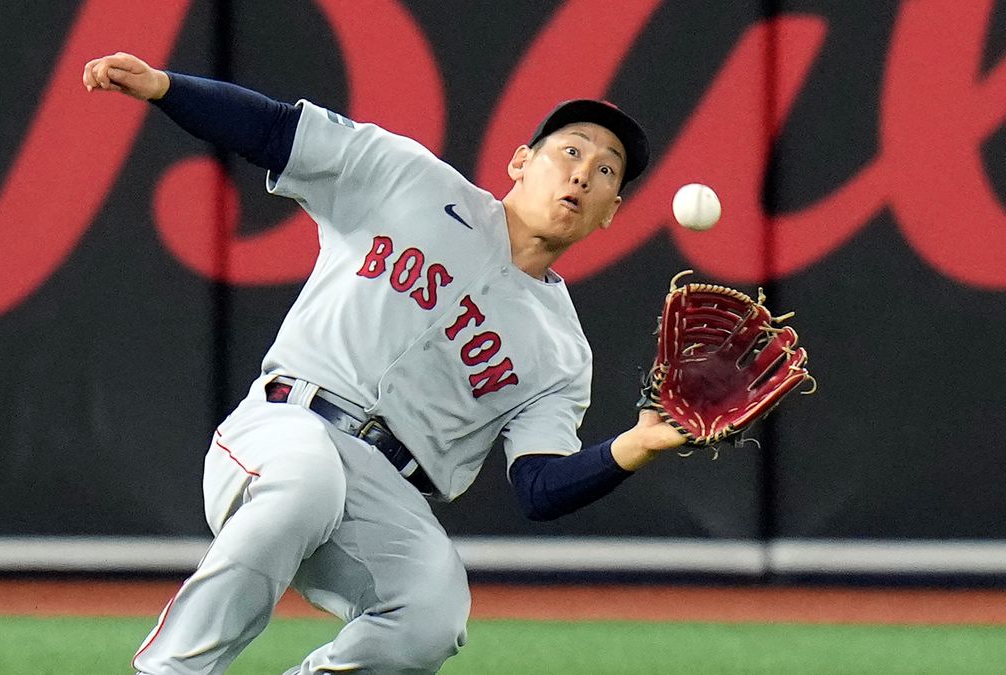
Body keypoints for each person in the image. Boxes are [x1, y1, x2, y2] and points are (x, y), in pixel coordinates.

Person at [83, 51, 687, 675]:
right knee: (306, 483)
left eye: (607, 170)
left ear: (612, 212)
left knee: (433, 616)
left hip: (388, 490)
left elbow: (538, 487)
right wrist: (164, 87)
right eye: (571, 150)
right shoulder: (409, 178)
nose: (584, 173)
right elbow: (275, 131)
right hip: (286, 427)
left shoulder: (562, 351)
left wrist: (635, 445)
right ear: (521, 162)